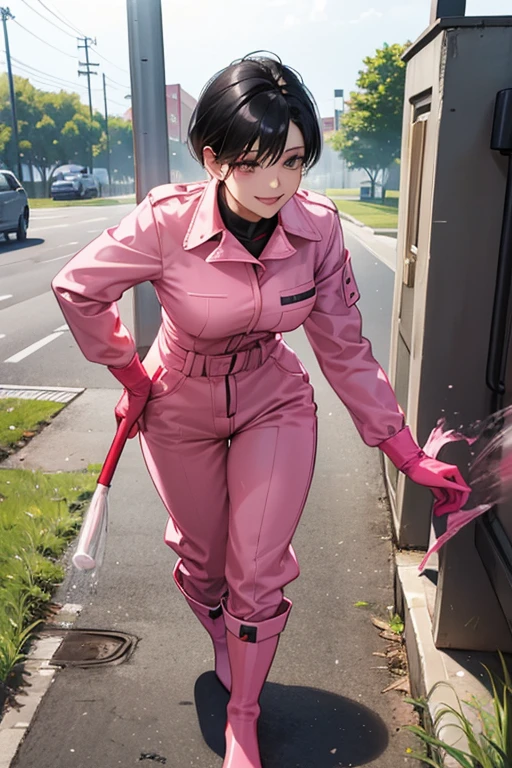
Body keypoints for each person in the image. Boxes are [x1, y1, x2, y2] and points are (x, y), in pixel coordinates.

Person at [52, 53, 471, 768]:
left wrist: (405, 451)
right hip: (176, 402)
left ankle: (244, 714)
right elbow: (77, 288)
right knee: (205, 560)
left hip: (272, 401)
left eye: (296, 160)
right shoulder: (165, 221)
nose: (278, 182)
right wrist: (128, 368)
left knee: (258, 568)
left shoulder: (319, 229)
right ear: (214, 158)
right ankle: (221, 625)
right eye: (256, 163)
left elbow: (344, 347)